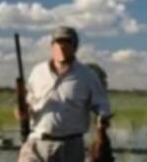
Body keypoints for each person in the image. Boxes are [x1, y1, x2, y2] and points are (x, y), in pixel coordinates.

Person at [16, 26, 112, 162]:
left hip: (70, 147)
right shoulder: (38, 72)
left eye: (67, 43)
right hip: (36, 143)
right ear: (51, 46)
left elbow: (102, 106)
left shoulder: (87, 75)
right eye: (58, 43)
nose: (62, 47)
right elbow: (28, 104)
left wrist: (101, 124)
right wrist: (22, 112)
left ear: (75, 47)